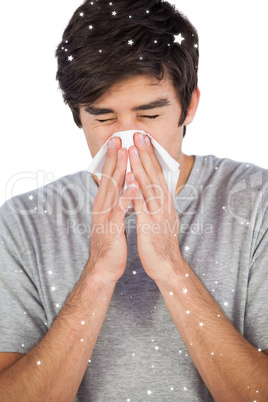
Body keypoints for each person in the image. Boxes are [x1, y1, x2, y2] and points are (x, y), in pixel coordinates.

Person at [0, 0, 267, 400]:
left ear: (188, 106)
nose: (128, 144)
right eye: (104, 119)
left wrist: (171, 269)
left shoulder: (257, 204)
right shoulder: (22, 223)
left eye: (149, 116)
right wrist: (96, 276)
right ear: (77, 115)